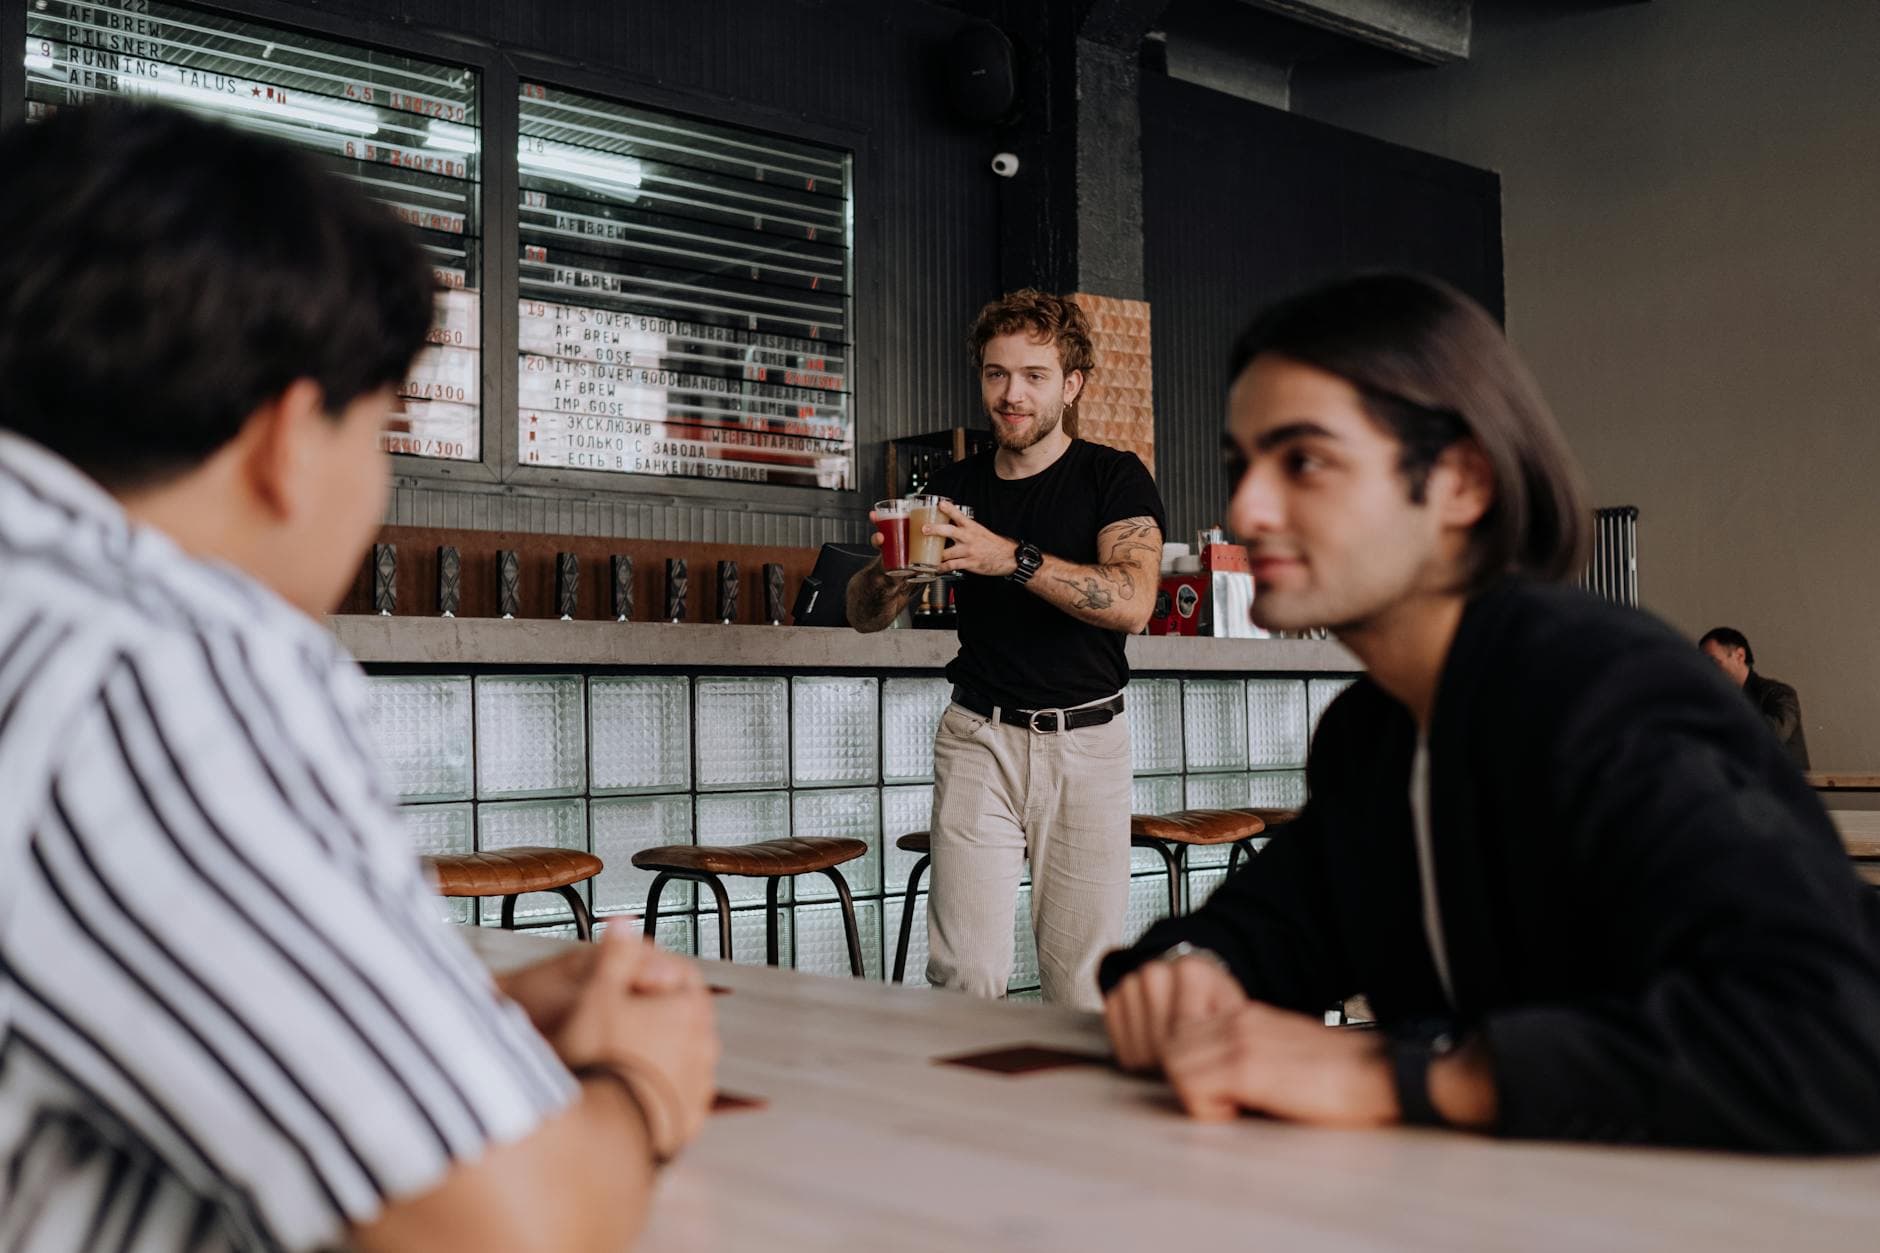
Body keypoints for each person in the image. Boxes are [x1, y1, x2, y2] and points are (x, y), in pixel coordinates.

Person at [0, 105, 717, 1252]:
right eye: (381, 431)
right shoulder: (155, 662)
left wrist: (447, 1022)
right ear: (290, 437)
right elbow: (494, 1234)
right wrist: (640, 1082)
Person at [1098, 273, 1880, 1152]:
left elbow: (1837, 1037)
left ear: (1464, 480)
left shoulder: (1604, 692)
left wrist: (1401, 1075)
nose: (1245, 508)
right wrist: (1188, 977)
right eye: (1243, 466)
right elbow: (1275, 927)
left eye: (1304, 460)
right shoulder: (1375, 732)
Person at [847, 290, 1166, 1008]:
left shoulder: (1111, 477)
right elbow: (863, 616)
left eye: (1033, 375)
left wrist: (1010, 559)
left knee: (1082, 987)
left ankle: (1071, 1125)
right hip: (978, 738)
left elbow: (1134, 601)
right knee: (964, 980)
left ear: (1072, 384)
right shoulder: (955, 487)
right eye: (996, 374)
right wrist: (891, 574)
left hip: (1087, 742)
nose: (1011, 394)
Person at [1699, 627, 1810, 769]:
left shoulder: (1780, 693)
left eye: (1713, 661)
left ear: (1740, 655)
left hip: (1779, 788)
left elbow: (1772, 735)